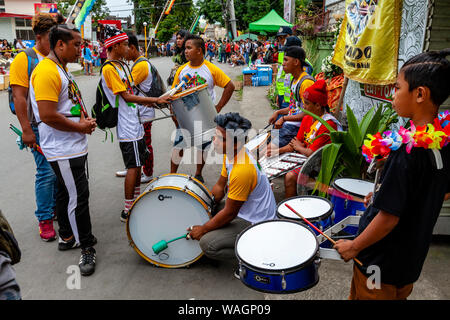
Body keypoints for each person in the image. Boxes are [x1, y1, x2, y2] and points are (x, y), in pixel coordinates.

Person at [334, 49, 450, 300]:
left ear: (420, 94)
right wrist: (382, 196)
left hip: (379, 266)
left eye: (397, 88)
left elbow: (388, 219)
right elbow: (436, 191)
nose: (392, 94)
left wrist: (354, 246)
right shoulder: (442, 141)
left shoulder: (407, 154)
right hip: (408, 265)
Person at [30, 24, 98, 276]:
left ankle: (67, 236)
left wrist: (84, 121)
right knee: (78, 197)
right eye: (77, 44)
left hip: (71, 145)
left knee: (64, 192)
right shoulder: (47, 71)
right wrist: (80, 127)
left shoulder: (59, 68)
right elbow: (47, 114)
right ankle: (86, 247)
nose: (81, 49)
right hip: (64, 148)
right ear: (60, 45)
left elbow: (66, 104)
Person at [188, 113, 276, 275]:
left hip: (257, 223)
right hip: (244, 210)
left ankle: (252, 258)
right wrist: (208, 204)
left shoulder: (242, 170)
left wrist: (204, 229)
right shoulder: (231, 155)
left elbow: (230, 213)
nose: (214, 140)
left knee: (208, 244)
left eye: (219, 138)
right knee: (209, 210)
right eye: (215, 135)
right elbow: (220, 187)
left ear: (235, 145)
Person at [100, 25, 170, 223]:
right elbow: (127, 97)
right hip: (127, 126)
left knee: (138, 164)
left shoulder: (121, 66)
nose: (127, 47)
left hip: (135, 122)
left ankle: (136, 200)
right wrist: (155, 101)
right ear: (113, 47)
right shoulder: (109, 69)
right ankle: (127, 209)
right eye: (123, 44)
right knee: (133, 166)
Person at [9, 13, 58, 242]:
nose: (57, 41)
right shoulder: (25, 58)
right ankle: (45, 219)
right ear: (39, 37)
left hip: (56, 124)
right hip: (37, 127)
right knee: (46, 172)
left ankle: (56, 207)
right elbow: (19, 97)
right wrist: (27, 130)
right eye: (52, 37)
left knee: (58, 169)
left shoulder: (55, 57)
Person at [170, 34, 235, 182]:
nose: (185, 51)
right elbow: (173, 93)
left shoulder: (211, 69)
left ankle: (198, 173)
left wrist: (218, 107)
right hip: (185, 116)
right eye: (185, 48)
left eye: (189, 48)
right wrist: (173, 113)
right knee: (179, 145)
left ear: (199, 50)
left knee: (203, 147)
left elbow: (230, 86)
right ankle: (171, 174)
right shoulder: (181, 70)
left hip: (205, 117)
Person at [281, 80, 342, 198]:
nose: (303, 106)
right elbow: (294, 143)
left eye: (307, 103)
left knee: (290, 176)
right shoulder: (307, 119)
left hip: (318, 166)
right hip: (304, 159)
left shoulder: (328, 124)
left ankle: (289, 211)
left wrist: (299, 147)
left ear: (318, 105)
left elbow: (311, 153)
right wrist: (276, 151)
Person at [267, 46, 314, 150]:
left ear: (296, 62)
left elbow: (308, 113)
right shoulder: (295, 80)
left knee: (268, 151)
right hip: (289, 124)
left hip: (296, 128)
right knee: (262, 144)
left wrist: (283, 118)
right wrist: (278, 113)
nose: (283, 63)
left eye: (286, 60)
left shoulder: (306, 83)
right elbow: (294, 107)